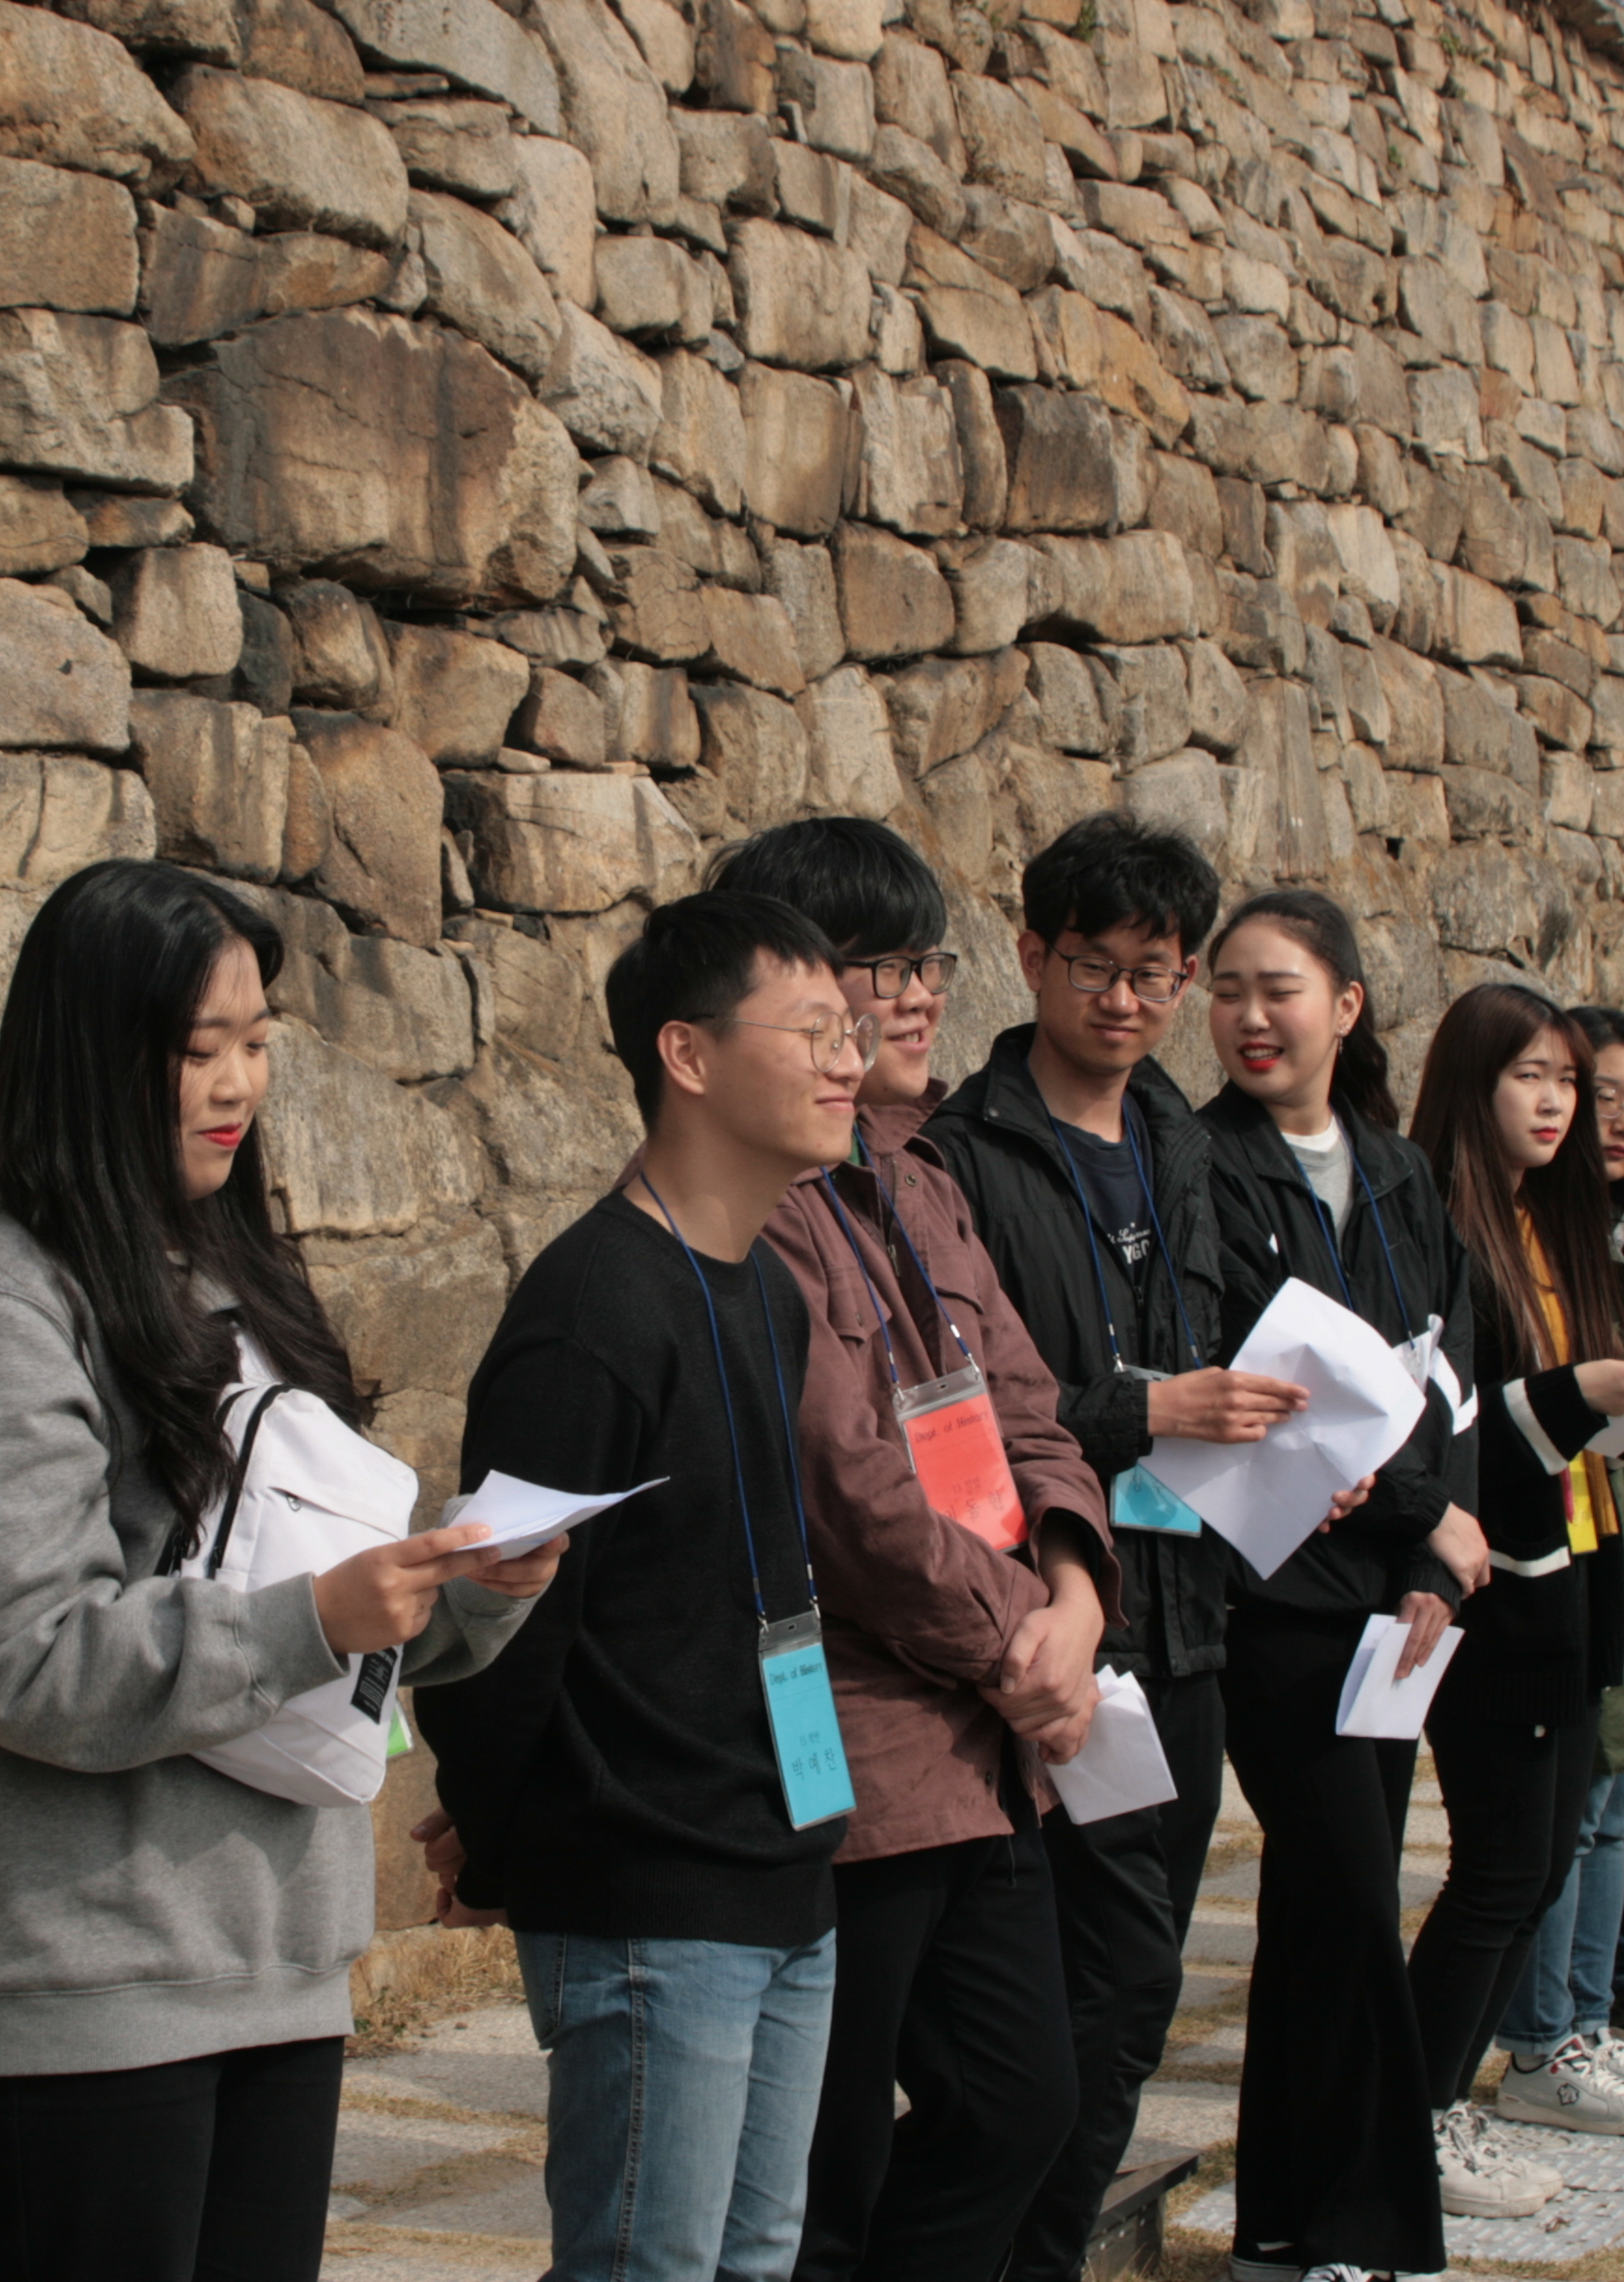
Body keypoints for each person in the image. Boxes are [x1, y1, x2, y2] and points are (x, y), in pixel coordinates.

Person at [0, 859, 561, 2282]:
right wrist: (315, 1618)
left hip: (273, 1967)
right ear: (93, 1052)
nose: (235, 1084)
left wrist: (462, 1595)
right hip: (84, 1980)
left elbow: (303, 1591)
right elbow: (27, 1655)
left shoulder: (229, 1268)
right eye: (198, 1049)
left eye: (255, 1043)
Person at [420, 889, 868, 2282]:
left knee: (756, 2259)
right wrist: (508, 1839)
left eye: (850, 1029)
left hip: (784, 1865)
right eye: (813, 1030)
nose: (850, 1059)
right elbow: (502, 1624)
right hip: (647, 1893)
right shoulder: (589, 1311)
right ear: (687, 1055)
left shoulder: (766, 1288)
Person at [709, 819, 1119, 2282]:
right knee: (827, 2159)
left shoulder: (927, 1184)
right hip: (869, 1747)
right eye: (881, 967)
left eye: (926, 961)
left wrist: (1069, 1603)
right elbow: (855, 1498)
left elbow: (1031, 1413)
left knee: (1024, 2105)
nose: (919, 997)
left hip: (994, 1730)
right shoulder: (765, 1214)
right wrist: (1024, 1646)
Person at [920, 817, 1306, 2282]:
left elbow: (1204, 1351)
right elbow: (965, 1414)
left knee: (1140, 1987)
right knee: (1102, 1977)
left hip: (1188, 1611)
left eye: (1157, 973)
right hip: (1058, 1620)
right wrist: (1145, 1410)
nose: (1126, 1001)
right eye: (1095, 967)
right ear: (1030, 957)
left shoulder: (1180, 1143)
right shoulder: (967, 1152)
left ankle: (1040, 2248)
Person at [1189, 888, 1483, 2275]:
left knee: (1318, 1910)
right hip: (1274, 1592)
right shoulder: (1196, 1166)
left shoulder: (1400, 1171)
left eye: (1281, 990)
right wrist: (1408, 1500)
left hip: (1396, 1597)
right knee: (1357, 1898)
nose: (1251, 1017)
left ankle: (1281, 2219)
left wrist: (1440, 1538)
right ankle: (1377, 2229)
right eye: (1230, 991)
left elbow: (1442, 1368)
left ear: (1347, 1006)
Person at [1401, 985, 1624, 2215]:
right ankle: (1412, 2113)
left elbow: (1569, 1420)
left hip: (1575, 1575)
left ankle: (1436, 2103)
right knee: (1500, 1868)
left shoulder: (1555, 1228)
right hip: (1491, 1596)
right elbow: (1454, 1438)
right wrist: (1583, 1394)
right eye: (1532, 1077)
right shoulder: (1442, 1235)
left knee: (1543, 1854)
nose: (1560, 1102)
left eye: (1569, 1078)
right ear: (1471, 1087)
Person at [1486, 1007, 1624, 2134]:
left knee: (1617, 1805)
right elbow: (1524, 1399)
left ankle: (1580, 2023)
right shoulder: (1487, 1229)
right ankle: (1543, 2042)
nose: (1595, 1116)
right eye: (1576, 1086)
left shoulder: (1603, 1229)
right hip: (1542, 1550)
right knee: (1563, 1822)